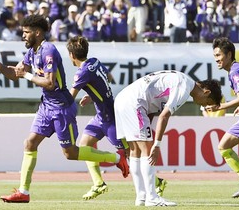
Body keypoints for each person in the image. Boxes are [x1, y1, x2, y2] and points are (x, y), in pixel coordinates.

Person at [0, 14, 128, 203]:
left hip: (62, 108)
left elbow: (50, 83)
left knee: (71, 153)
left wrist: (26, 75)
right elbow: (15, 74)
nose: (23, 36)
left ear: (37, 32)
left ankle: (117, 159)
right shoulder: (31, 53)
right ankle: (23, 192)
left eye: (26, 32)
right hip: (46, 106)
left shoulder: (48, 50)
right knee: (29, 143)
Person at [66, 36, 167, 200]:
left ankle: (157, 182)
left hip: (111, 119)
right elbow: (109, 78)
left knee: (130, 153)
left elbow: (70, 98)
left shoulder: (81, 73)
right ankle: (98, 183)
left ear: (71, 55)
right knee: (85, 144)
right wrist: (93, 95)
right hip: (101, 115)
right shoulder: (95, 62)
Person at [114, 70, 223, 206]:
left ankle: (141, 197)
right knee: (147, 150)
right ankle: (152, 198)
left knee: (135, 151)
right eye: (207, 102)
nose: (203, 106)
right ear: (206, 92)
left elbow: (153, 108)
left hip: (122, 99)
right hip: (135, 103)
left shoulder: (182, 80)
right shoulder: (184, 87)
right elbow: (164, 116)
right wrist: (157, 145)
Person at [207, 37, 239, 198]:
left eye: (219, 55)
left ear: (229, 54)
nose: (216, 60)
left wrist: (219, 106)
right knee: (224, 146)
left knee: (223, 146)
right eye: (214, 56)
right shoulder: (236, 69)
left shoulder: (235, 71)